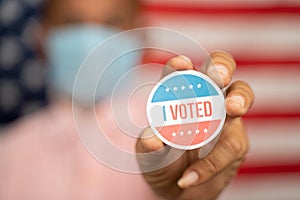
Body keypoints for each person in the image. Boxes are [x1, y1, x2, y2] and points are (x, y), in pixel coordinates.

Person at [0, 0, 254, 199]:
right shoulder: (7, 155)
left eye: (111, 22)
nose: (91, 40)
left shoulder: (179, 139)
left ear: (141, 39)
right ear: (41, 39)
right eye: (72, 22)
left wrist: (193, 193)